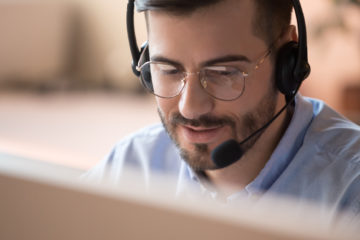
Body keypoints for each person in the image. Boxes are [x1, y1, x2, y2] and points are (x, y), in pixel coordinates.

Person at [85, 0, 360, 217]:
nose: (190, 108)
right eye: (167, 69)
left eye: (223, 72)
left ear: (289, 60)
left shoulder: (350, 193)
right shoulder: (131, 166)